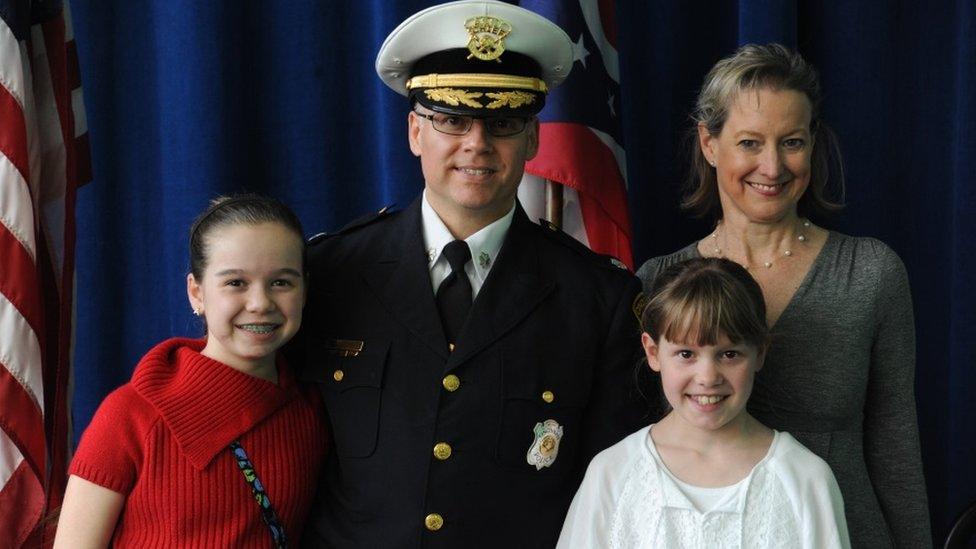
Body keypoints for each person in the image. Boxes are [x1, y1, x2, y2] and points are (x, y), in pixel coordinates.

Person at [297, 1, 647, 546]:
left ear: (533, 139)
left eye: (503, 123)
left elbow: (613, 496)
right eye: (452, 120)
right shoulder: (330, 274)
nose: (477, 144)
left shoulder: (599, 300)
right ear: (416, 132)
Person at [635, 43, 930, 548]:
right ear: (709, 143)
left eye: (791, 142)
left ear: (812, 143)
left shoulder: (872, 273)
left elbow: (894, 443)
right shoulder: (657, 283)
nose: (772, 167)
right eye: (749, 143)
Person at [54, 194, 327, 547]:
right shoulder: (130, 416)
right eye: (235, 283)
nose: (260, 303)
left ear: (304, 291)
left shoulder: (313, 412)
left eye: (281, 282)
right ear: (196, 293)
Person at [558, 257, 850, 548]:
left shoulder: (805, 478)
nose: (708, 377)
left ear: (760, 352)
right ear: (653, 352)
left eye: (730, 354)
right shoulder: (613, 472)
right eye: (686, 354)